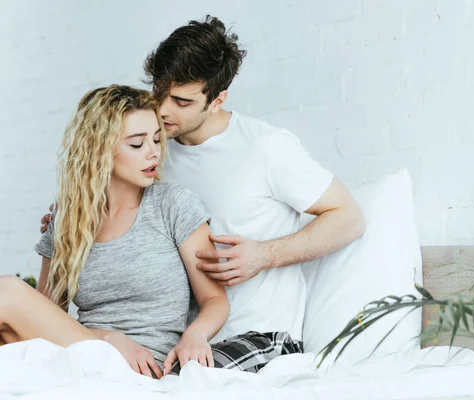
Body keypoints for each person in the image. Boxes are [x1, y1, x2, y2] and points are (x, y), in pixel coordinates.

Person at [42, 15, 365, 373]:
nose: (163, 109)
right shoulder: (155, 148)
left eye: (181, 101)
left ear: (216, 99)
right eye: (159, 91)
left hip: (256, 334)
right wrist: (75, 211)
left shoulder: (265, 148)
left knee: (184, 385)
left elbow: (348, 217)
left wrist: (265, 254)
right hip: (177, 343)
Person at [4, 84, 229, 379]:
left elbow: (215, 300)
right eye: (137, 144)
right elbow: (46, 316)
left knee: (6, 291)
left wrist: (195, 336)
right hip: (85, 356)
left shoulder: (173, 204)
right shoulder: (68, 220)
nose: (153, 153)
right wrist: (107, 339)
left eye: (157, 140)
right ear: (100, 149)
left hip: (146, 366)